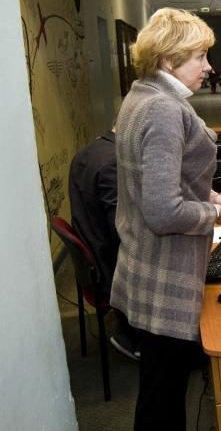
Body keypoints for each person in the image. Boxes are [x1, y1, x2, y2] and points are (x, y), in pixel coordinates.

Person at [110, 8, 221, 430]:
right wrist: (214, 213)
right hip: (167, 268)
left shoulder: (141, 95)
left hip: (145, 263)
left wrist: (211, 193)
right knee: (163, 399)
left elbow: (164, 180)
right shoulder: (164, 110)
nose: (208, 66)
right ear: (169, 60)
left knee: (159, 390)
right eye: (200, 56)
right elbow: (164, 211)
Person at [68, 127, 139, 360]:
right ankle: (140, 340)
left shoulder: (90, 152)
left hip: (95, 257)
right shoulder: (114, 164)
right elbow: (124, 233)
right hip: (111, 269)